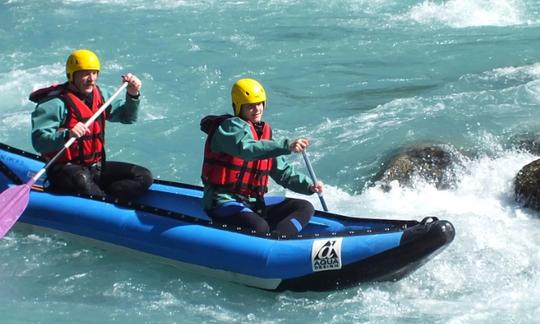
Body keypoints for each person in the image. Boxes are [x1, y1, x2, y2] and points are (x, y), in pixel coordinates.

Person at [200, 78, 323, 236]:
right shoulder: (229, 129)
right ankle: (270, 244)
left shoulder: (264, 134)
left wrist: (308, 186)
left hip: (253, 202)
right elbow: (247, 150)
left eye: (259, 103)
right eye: (250, 105)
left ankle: (280, 240)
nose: (257, 109)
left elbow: (283, 173)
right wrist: (287, 146)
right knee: (260, 228)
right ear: (238, 106)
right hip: (223, 201)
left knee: (305, 207)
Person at [30, 49, 153, 200]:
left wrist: (133, 95)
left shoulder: (101, 95)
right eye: (85, 74)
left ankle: (105, 197)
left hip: (95, 167)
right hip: (65, 170)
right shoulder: (54, 104)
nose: (91, 79)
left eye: (94, 73)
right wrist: (67, 134)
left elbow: (128, 118)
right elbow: (39, 143)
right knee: (81, 179)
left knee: (144, 176)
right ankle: (102, 202)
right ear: (71, 76)